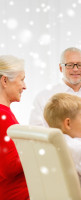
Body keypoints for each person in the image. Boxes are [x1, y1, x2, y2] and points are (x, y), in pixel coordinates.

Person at [29, 47, 81, 145]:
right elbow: (35, 137)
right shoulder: (44, 97)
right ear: (61, 68)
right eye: (70, 65)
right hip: (57, 159)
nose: (75, 69)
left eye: (80, 65)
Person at [0, 55, 29, 199]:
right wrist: (35, 148)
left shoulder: (5, 113)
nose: (25, 86)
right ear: (5, 80)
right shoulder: (2, 117)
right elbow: (10, 168)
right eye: (22, 79)